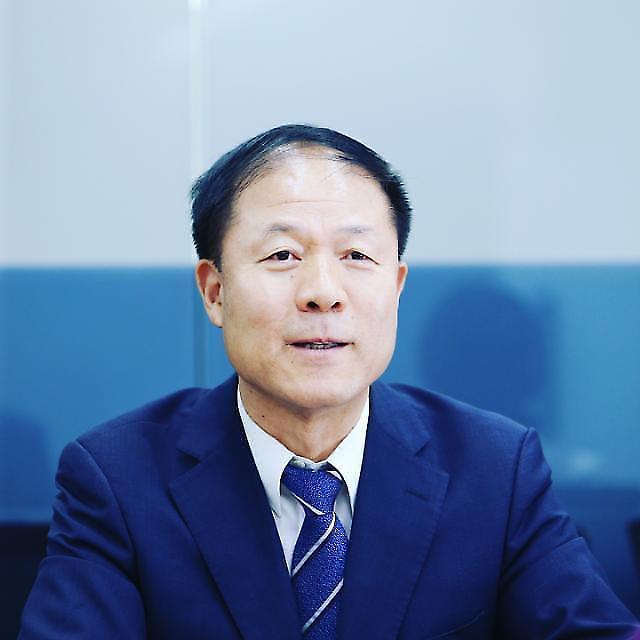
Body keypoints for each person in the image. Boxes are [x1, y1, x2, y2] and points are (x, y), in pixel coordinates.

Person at [20, 125, 638, 639]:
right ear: (214, 291)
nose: (322, 292)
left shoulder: (496, 467)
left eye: (356, 257)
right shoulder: (118, 478)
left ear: (396, 288)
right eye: (282, 256)